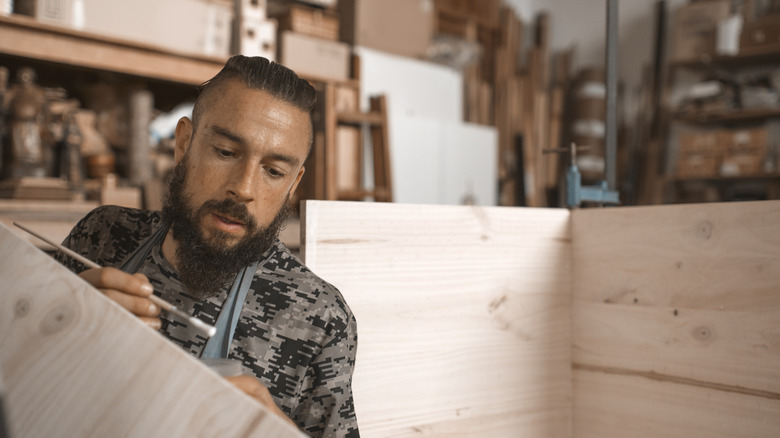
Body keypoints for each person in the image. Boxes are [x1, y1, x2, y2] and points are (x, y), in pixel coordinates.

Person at [57, 55, 359, 438]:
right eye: (226, 152)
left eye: (274, 172)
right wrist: (58, 323)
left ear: (293, 184)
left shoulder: (321, 318)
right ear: (184, 143)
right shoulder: (101, 236)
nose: (245, 189)